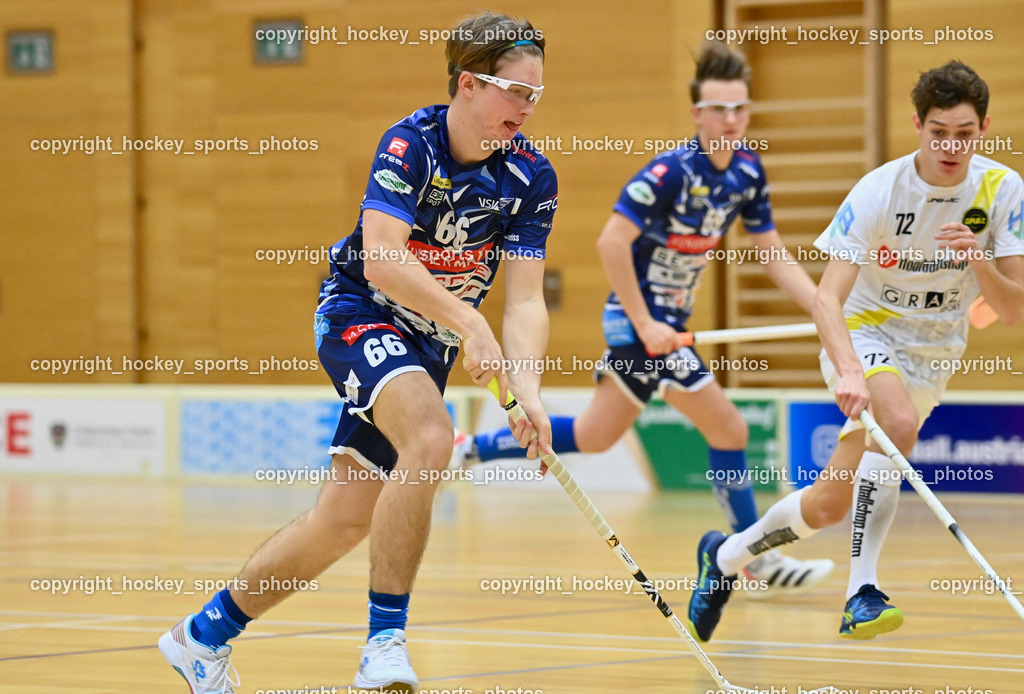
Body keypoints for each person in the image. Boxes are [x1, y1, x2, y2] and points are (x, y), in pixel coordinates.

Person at [159, 12, 556, 693]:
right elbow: (382, 260)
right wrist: (469, 320)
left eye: (536, 95)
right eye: (515, 92)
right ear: (468, 84)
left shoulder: (530, 178)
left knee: (341, 521)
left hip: (424, 345)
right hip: (358, 315)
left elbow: (522, 302)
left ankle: (201, 636)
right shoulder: (410, 145)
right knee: (431, 438)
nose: (526, 108)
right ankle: (384, 645)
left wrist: (530, 390)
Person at [453, 41, 833, 594]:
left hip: (669, 326)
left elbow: (772, 253)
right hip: (638, 323)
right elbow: (612, 243)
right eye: (719, 109)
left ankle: (469, 448)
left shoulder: (748, 173)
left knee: (594, 434)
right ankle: (753, 556)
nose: (730, 120)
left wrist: (825, 306)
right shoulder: (670, 173)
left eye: (740, 109)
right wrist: (645, 321)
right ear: (697, 113)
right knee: (727, 426)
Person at [687, 60, 1024, 643]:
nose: (950, 146)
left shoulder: (1002, 192)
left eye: (964, 134)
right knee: (893, 422)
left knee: (827, 505)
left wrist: (978, 258)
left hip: (934, 352)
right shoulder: (880, 190)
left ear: (984, 128)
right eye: (938, 131)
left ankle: (722, 558)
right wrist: (848, 370)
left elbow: (1015, 308)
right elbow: (826, 299)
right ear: (917, 124)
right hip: (864, 331)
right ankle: (861, 591)